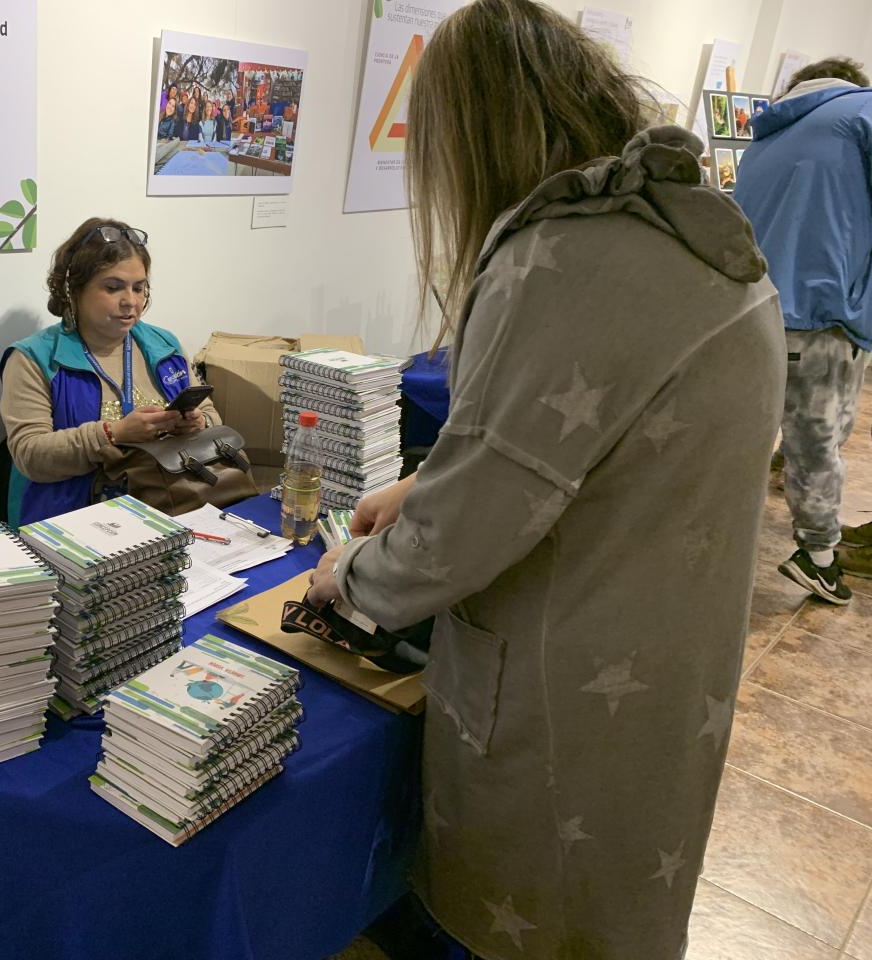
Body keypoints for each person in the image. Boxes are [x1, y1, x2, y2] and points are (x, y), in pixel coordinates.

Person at [305, 1, 784, 958]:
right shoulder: (690, 229)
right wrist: (432, 480)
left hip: (566, 698)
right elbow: (581, 449)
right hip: (664, 678)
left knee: (519, 920)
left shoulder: (557, 258)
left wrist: (346, 577)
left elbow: (463, 536)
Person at [734, 57, 872, 595]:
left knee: (754, 427)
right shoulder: (863, 112)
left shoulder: (765, 137)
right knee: (819, 440)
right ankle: (817, 555)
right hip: (820, 313)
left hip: (749, 310)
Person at [0, 218, 220, 526]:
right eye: (113, 287)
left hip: (165, 507)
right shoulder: (34, 358)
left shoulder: (163, 344)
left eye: (139, 288)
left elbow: (211, 415)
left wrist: (197, 423)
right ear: (74, 288)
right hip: (68, 521)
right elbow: (30, 455)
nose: (131, 302)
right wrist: (113, 434)